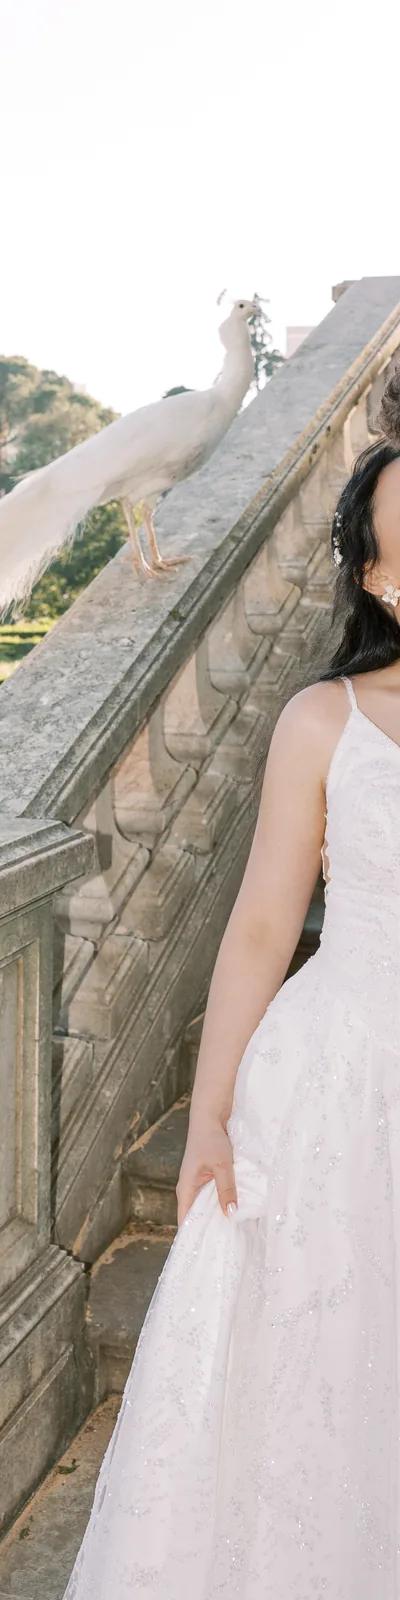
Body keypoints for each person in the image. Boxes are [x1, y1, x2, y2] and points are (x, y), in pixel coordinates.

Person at [62, 372, 400, 1600]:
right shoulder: (324, 720)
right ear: (376, 576)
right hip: (336, 1082)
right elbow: (262, 927)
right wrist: (207, 1118)